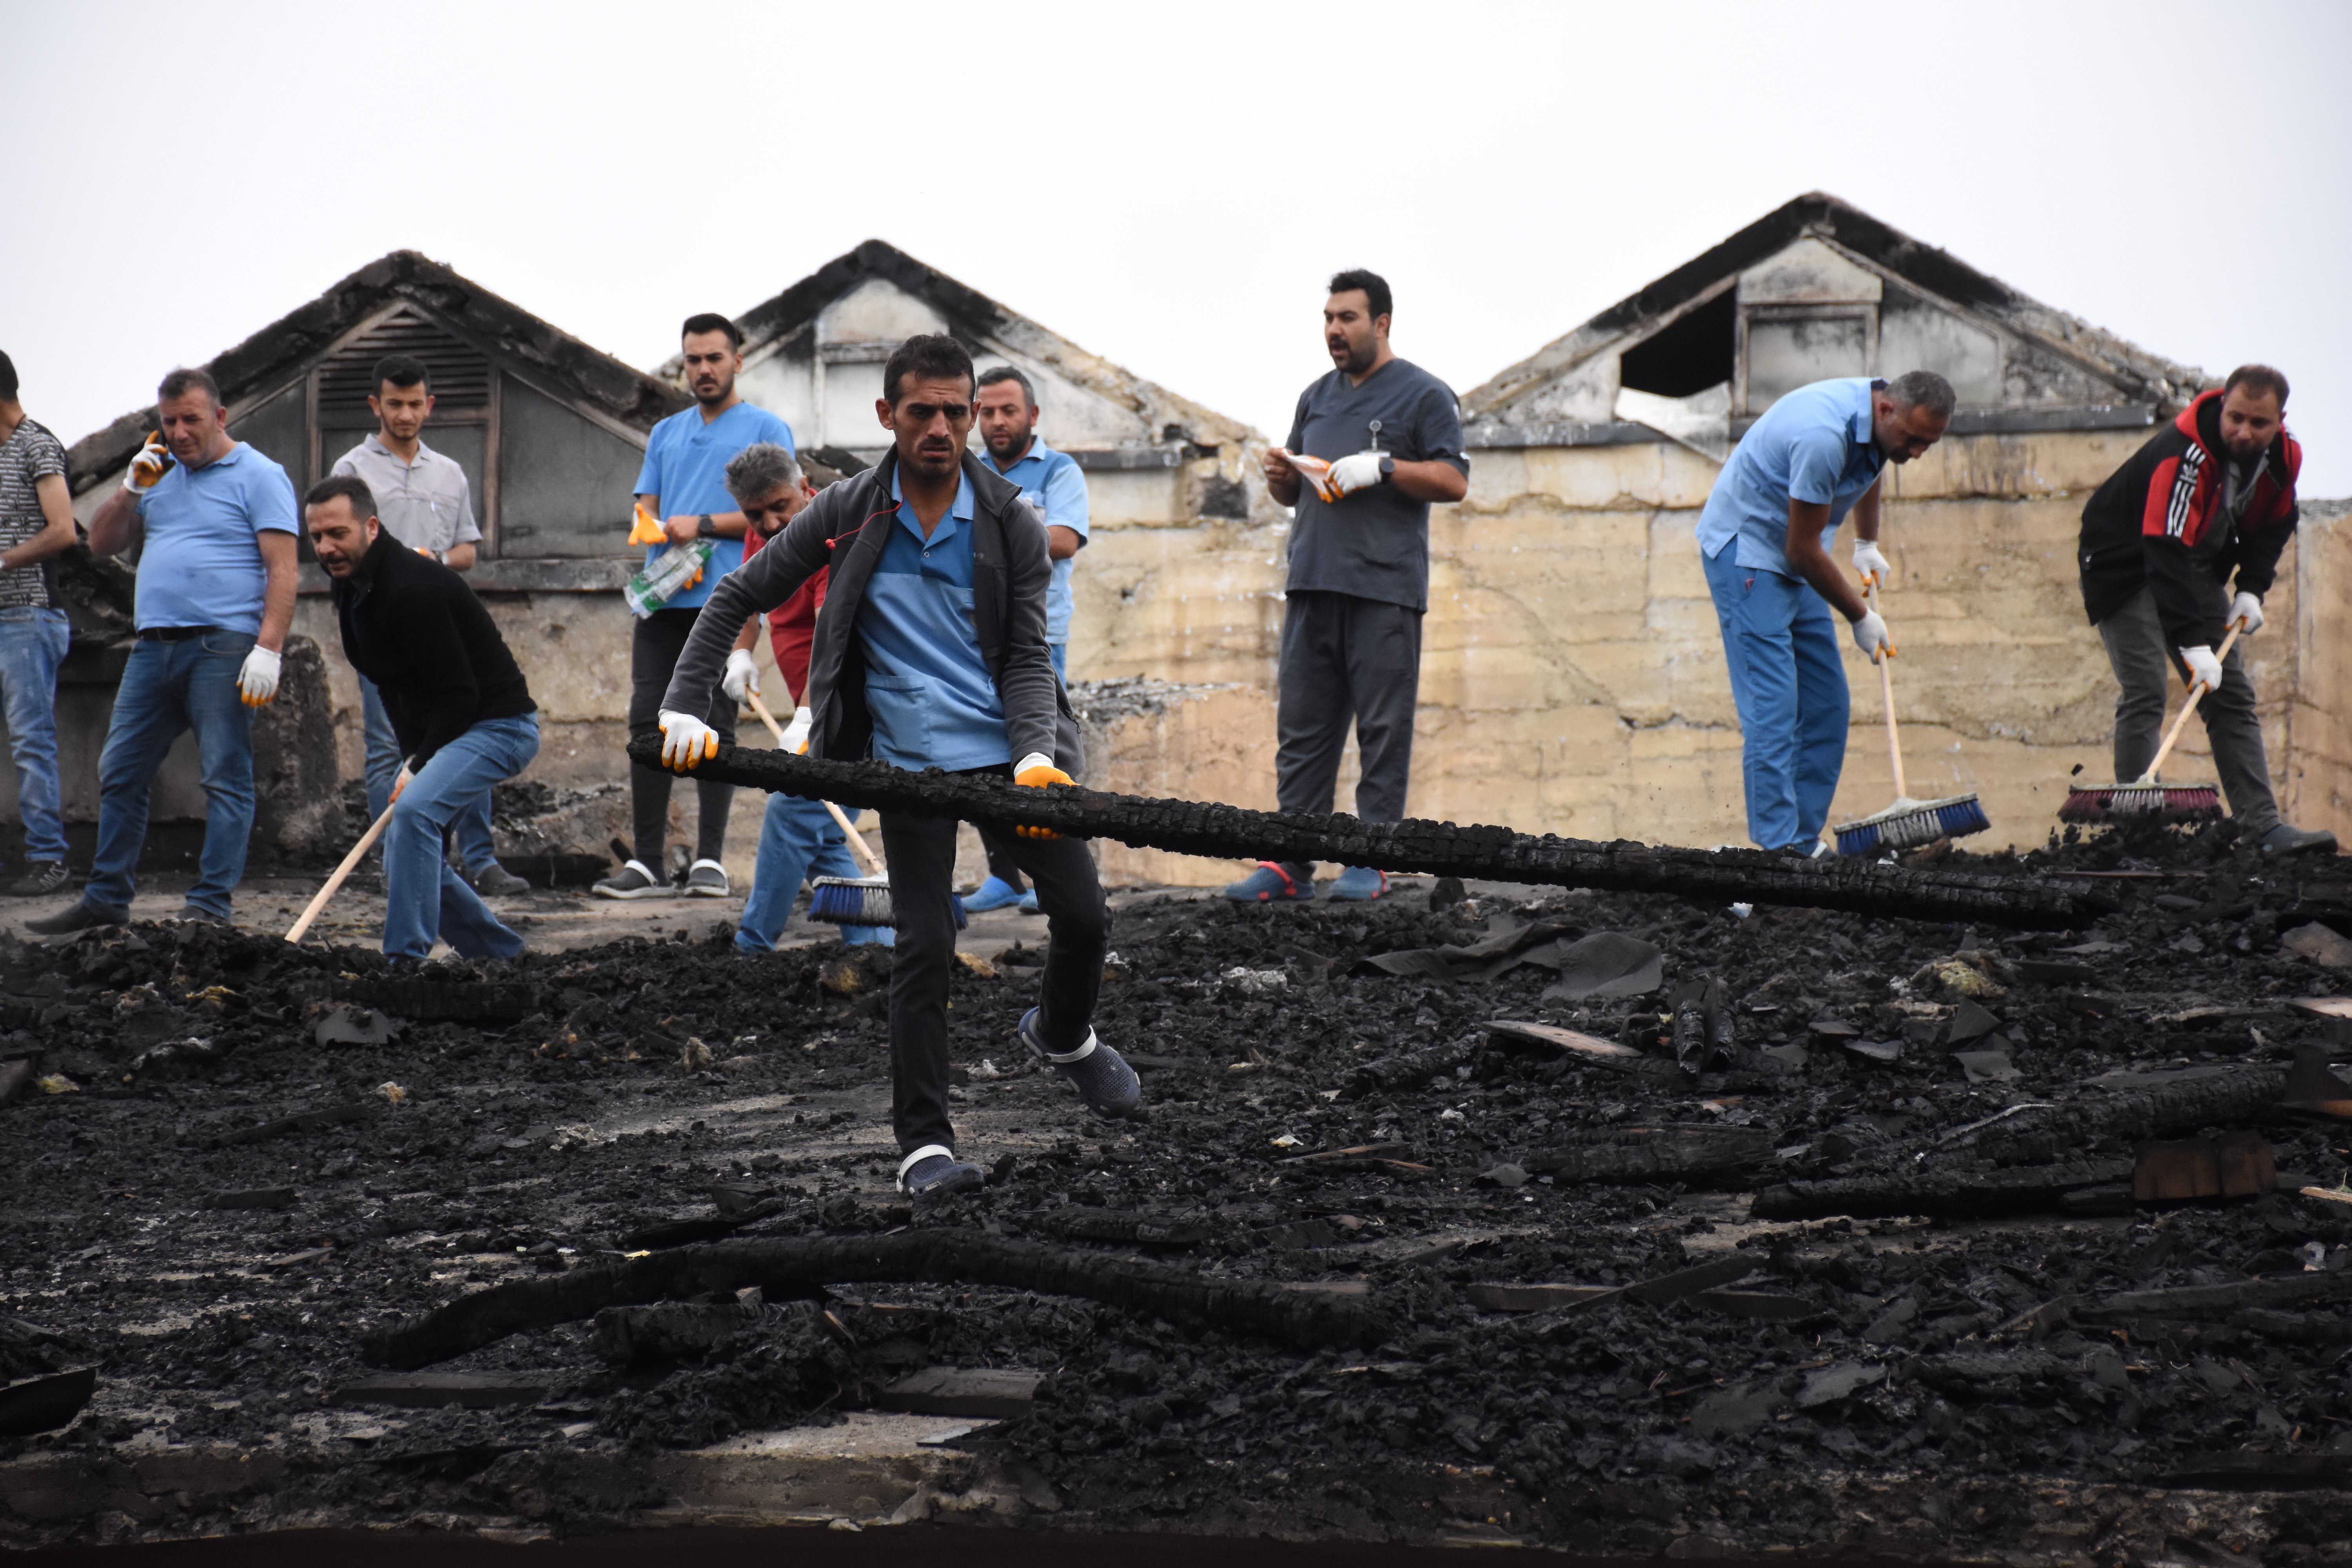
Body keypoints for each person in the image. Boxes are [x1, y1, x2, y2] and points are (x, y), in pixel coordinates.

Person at [655, 333, 1139, 1203]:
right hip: (905, 766)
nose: (945, 428)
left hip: (1006, 758)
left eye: (959, 410)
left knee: (1085, 913)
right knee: (923, 943)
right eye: (925, 411)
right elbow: (738, 591)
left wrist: (1035, 752)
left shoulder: (1010, 523)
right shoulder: (846, 508)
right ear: (888, 415)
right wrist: (688, 701)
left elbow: (1029, 657)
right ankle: (925, 1146)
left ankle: (1064, 1036)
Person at [1226, 269, 1468, 904]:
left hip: (1383, 589)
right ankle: (1290, 863)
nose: (1335, 330)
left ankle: (1370, 858)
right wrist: (1282, 474)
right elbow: (1291, 497)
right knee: (1302, 730)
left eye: (1348, 318)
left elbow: (1454, 480)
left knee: (1383, 730)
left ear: (1382, 323)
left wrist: (1384, 467)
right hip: (1312, 583)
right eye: (1329, 318)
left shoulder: (1424, 396)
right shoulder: (1316, 397)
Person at [30, 368, 298, 935]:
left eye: (190, 420)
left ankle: (209, 907)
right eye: (169, 422)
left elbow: (283, 569)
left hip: (223, 646)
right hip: (152, 647)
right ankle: (106, 899)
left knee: (225, 776)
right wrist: (131, 488)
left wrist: (268, 649)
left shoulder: (260, 475)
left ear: (220, 417)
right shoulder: (159, 476)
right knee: (121, 771)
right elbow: (100, 544)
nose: (178, 433)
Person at [1694, 371, 1953, 855]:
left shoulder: (1881, 426)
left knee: (1828, 704)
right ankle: (1779, 851)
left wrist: (1866, 542)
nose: (1917, 453)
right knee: (1773, 708)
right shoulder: (1822, 435)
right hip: (1748, 551)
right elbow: (1801, 548)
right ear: (1885, 410)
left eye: (1928, 445)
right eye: (1914, 440)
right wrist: (1859, 615)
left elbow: (1873, 464)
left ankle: (1802, 839)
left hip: (1796, 552)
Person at [2078, 365, 2333, 855]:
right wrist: (2193, 643)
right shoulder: (2186, 452)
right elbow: (2162, 544)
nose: (2243, 431)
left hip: (2192, 562)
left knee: (2231, 694)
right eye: (2235, 418)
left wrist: (2252, 589)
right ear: (2224, 405)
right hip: (2123, 562)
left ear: (2279, 420)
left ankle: (2264, 827)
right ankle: (2139, 830)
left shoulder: (2283, 457)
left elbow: (2277, 522)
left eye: (2258, 424)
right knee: (2146, 689)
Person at [595, 313, 794, 902]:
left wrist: (702, 525)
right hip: (665, 595)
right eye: (693, 360)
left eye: (714, 358)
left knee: (715, 724)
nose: (703, 370)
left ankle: (711, 860)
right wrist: (651, 528)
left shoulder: (766, 427)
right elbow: (647, 506)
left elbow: (780, 511)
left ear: (738, 360)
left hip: (728, 594)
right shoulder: (667, 432)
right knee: (647, 720)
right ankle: (649, 862)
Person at [302, 475, 539, 959]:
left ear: (371, 526)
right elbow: (390, 682)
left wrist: (420, 764)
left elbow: (460, 693)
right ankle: (500, 955)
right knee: (406, 853)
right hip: (450, 730)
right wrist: (415, 753)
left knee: (413, 815)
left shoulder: (413, 588)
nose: (326, 548)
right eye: (317, 537)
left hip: (499, 726)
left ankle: (404, 961)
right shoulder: (350, 587)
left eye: (338, 534)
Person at [330, 354, 526, 896]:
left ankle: (481, 861)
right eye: (395, 404)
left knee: (466, 733)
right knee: (389, 745)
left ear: (430, 405)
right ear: (376, 406)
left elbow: (466, 551)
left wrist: (428, 562)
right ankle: (398, 863)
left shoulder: (451, 473)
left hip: (440, 627)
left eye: (416, 404)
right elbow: (337, 547)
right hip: (383, 629)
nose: (406, 414)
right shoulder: (350, 470)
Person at [716, 441, 890, 951]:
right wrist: (742, 654)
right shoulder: (761, 537)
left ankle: (752, 946)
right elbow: (750, 598)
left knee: (791, 815)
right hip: (816, 711)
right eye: (755, 514)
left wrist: (813, 717)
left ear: (805, 490)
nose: (770, 524)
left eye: (780, 507)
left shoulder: (829, 540)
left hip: (853, 714)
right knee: (825, 839)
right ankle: (874, 947)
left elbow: (830, 636)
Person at [967, 364, 1089, 914]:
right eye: (986, 411)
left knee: (1049, 748)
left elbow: (1063, 539)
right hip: (978, 637)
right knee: (984, 752)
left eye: (1007, 410)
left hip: (1042, 636)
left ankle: (1057, 875)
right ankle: (1005, 876)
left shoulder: (1059, 471)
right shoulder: (966, 473)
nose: (996, 421)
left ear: (1032, 416)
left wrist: (998, 534)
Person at [0, 351, 84, 898]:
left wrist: (4, 560)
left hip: (28, 615)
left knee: (33, 741)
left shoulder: (37, 444)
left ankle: (49, 860)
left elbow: (64, 531)